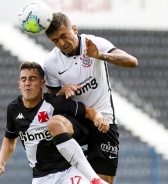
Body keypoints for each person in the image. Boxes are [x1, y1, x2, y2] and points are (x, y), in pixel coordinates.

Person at [43, 12, 138, 184]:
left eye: (64, 36)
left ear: (74, 29)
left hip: (104, 120)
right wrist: (61, 92)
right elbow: (51, 103)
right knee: (55, 123)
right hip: (77, 119)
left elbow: (132, 62)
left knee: (105, 181)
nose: (61, 43)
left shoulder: (95, 43)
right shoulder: (51, 63)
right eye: (55, 40)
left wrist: (100, 56)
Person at [0, 61, 110, 184]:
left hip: (69, 170)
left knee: (54, 123)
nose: (27, 84)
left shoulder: (54, 102)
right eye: (24, 80)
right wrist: (0, 164)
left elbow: (88, 112)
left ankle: (95, 180)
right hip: (40, 176)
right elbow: (10, 139)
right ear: (19, 84)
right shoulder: (14, 109)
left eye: (32, 79)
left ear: (42, 83)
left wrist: (98, 117)